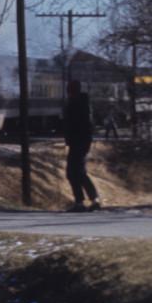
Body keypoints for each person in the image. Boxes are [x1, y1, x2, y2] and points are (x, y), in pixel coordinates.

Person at [62, 80, 102, 211]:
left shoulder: (76, 104)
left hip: (78, 142)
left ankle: (81, 202)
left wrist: (72, 139)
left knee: (74, 172)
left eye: (69, 89)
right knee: (78, 172)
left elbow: (75, 125)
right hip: (81, 142)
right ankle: (92, 199)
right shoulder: (82, 103)